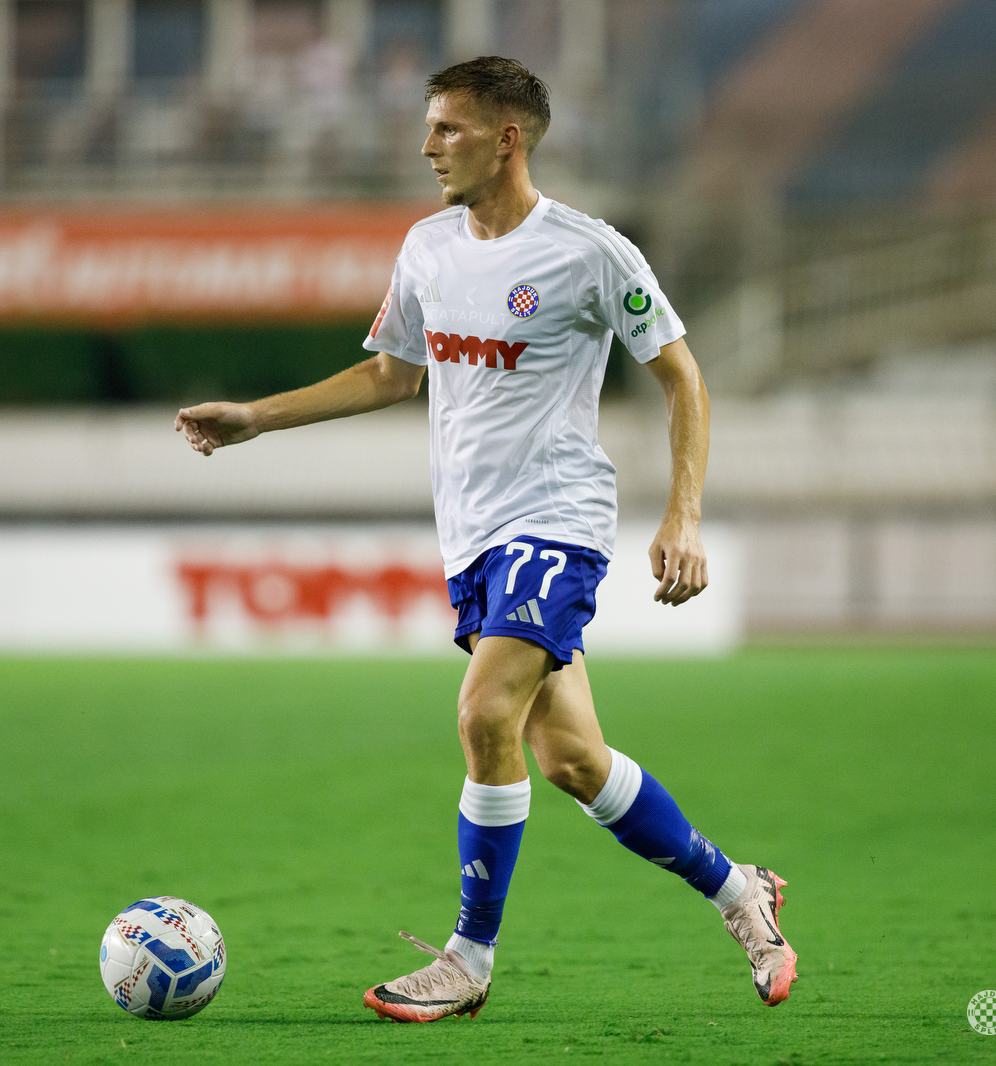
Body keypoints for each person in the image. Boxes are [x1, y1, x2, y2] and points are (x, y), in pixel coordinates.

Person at [174, 56, 797, 1022]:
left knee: (480, 715)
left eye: (448, 129)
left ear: (507, 138)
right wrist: (257, 417)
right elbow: (389, 373)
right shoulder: (426, 248)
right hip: (470, 541)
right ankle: (739, 892)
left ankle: (468, 961)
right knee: (574, 763)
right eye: (429, 129)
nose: (428, 147)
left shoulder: (591, 253)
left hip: (556, 521)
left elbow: (683, 376)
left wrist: (683, 514)